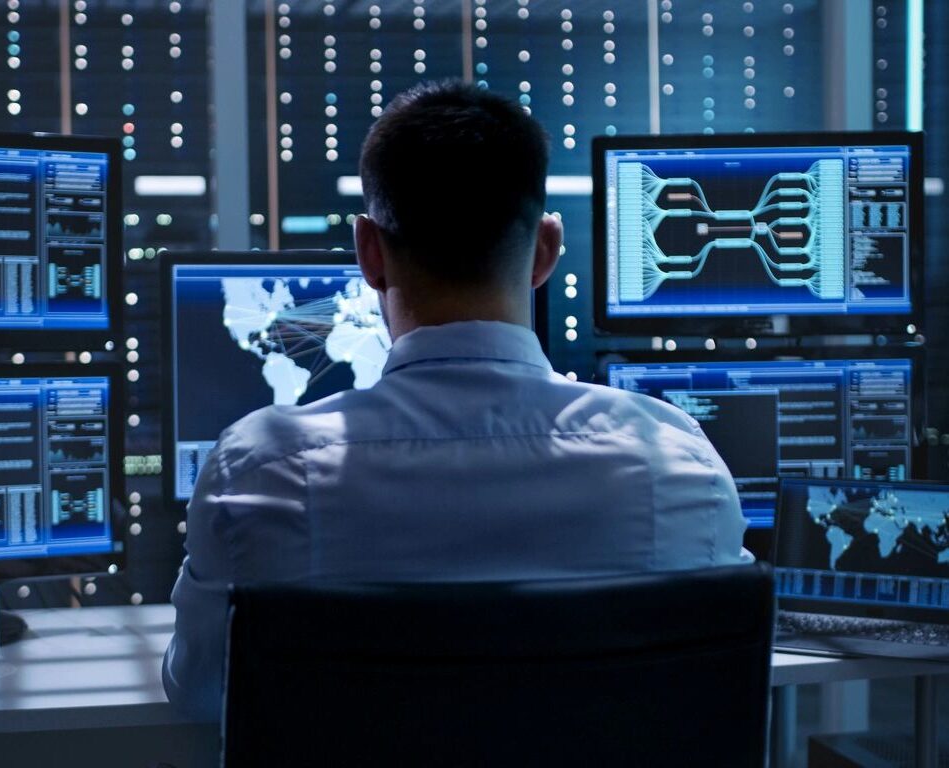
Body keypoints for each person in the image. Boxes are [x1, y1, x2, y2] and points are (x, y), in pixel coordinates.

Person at [163, 80, 750, 718]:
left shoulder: (261, 470)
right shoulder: (676, 462)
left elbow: (198, 692)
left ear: (369, 252)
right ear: (546, 251)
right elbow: (721, 685)